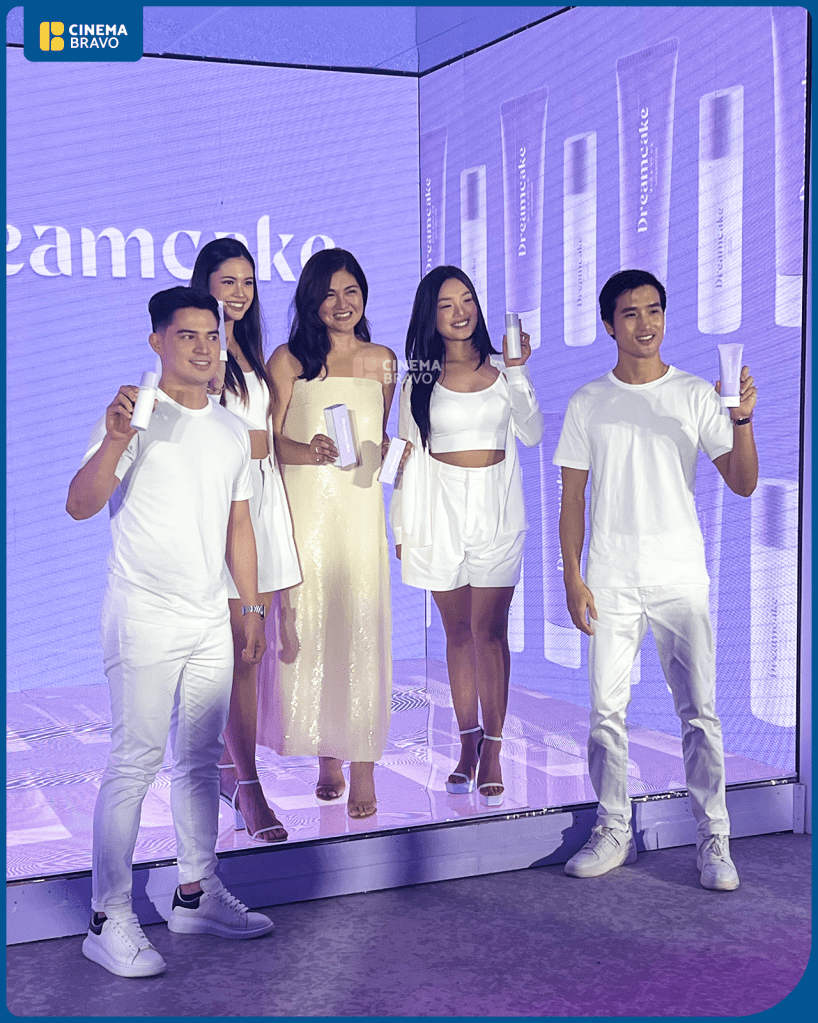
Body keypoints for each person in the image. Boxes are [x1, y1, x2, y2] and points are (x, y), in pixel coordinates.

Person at [66, 287, 274, 978]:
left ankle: (196, 892)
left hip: (210, 616)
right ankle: (107, 917)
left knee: (200, 760)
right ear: (157, 341)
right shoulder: (134, 417)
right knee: (134, 762)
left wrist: (251, 608)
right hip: (144, 614)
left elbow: (239, 524)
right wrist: (117, 439)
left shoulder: (230, 427)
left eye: (212, 336)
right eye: (187, 336)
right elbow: (80, 504)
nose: (204, 347)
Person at [553, 268, 758, 890]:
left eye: (654, 310)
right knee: (604, 715)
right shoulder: (588, 401)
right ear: (608, 325)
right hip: (610, 580)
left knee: (701, 715)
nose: (645, 323)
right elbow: (571, 500)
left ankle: (714, 839)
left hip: (679, 578)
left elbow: (743, 482)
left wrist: (742, 420)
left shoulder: (696, 394)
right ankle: (614, 829)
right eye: (631, 313)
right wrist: (572, 578)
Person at [391, 266, 543, 805]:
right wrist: (401, 526)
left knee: (489, 631)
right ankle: (467, 743)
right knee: (457, 633)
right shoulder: (418, 380)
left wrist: (518, 372)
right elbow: (405, 455)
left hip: (497, 510)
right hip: (438, 513)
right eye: (446, 305)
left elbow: (532, 432)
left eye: (467, 300)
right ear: (430, 316)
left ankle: (495, 747)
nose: (460, 313)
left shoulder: (504, 369)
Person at [262, 247, 400, 819]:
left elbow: (379, 435)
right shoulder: (289, 359)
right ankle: (327, 755)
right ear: (310, 300)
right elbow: (268, 442)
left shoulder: (383, 359)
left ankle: (363, 763)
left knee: (362, 627)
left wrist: (388, 453)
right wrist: (308, 449)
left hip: (360, 510)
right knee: (314, 628)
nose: (341, 304)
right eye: (328, 294)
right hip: (307, 510)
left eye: (351, 292)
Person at [190, 238, 300, 844]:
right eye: (227, 281)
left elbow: (265, 434)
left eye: (248, 282)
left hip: (264, 497)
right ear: (205, 284)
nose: (239, 292)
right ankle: (248, 787)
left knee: (252, 653)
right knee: (238, 650)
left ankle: (233, 773)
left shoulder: (249, 351)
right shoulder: (202, 352)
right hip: (227, 507)